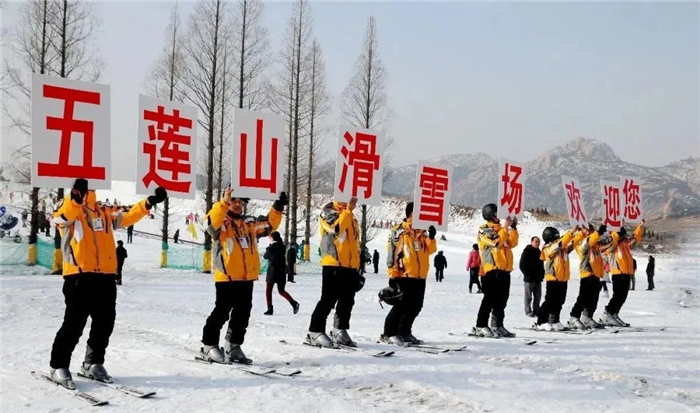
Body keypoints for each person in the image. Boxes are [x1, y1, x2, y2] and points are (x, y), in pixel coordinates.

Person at [49, 178, 165, 389]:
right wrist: (75, 197)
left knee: (104, 323)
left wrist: (148, 202)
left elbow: (126, 216)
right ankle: (58, 365)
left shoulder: (102, 210)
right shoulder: (67, 206)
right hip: (79, 275)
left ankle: (93, 362)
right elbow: (61, 219)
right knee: (74, 323)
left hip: (105, 276)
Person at [199, 189, 287, 365]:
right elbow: (210, 223)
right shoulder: (220, 221)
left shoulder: (249, 223)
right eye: (234, 200)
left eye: (240, 201)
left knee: (242, 313)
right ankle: (209, 345)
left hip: (246, 277)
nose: (238, 204)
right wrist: (223, 202)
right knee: (222, 312)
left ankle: (233, 345)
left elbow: (269, 225)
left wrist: (277, 207)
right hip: (226, 276)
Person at [306, 196, 361, 348]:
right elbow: (336, 228)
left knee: (347, 301)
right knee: (328, 300)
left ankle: (339, 329)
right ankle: (315, 331)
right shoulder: (328, 212)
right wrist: (348, 211)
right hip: (333, 263)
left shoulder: (350, 216)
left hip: (350, 266)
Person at [381, 202, 437, 345]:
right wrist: (393, 274)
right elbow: (391, 253)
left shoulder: (422, 232)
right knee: (401, 306)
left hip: (419, 276)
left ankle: (404, 331)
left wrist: (431, 238)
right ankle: (389, 333)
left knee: (416, 306)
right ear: (411, 214)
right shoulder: (399, 231)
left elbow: (429, 251)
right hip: (403, 275)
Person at [472, 204, 518, 338]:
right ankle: (480, 325)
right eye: (497, 213)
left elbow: (511, 243)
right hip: (492, 269)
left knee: (502, 300)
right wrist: (504, 228)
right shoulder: (484, 229)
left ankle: (497, 325)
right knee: (489, 299)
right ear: (491, 215)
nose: (500, 216)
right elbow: (496, 242)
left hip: (504, 270)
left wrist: (513, 228)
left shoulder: (501, 230)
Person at [601, 221, 645, 327]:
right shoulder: (612, 242)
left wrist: (640, 227)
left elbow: (635, 238)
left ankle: (615, 313)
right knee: (618, 295)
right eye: (622, 235)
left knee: (623, 296)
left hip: (626, 272)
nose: (624, 237)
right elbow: (608, 248)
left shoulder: (625, 243)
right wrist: (616, 234)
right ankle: (608, 313)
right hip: (617, 272)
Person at [534, 226, 576, 331]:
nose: (558, 237)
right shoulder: (548, 248)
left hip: (562, 278)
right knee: (550, 301)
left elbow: (573, 243)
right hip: (553, 278)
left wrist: (580, 233)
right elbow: (560, 243)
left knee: (560, 301)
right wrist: (571, 232)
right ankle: (541, 321)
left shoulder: (562, 248)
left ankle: (554, 320)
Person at [568, 224, 609, 330]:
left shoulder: (594, 243)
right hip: (586, 272)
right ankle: (574, 317)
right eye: (587, 230)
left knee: (593, 298)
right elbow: (588, 243)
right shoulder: (581, 242)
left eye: (591, 230)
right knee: (583, 297)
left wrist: (614, 234)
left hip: (595, 273)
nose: (589, 231)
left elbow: (607, 243)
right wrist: (597, 233)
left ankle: (587, 316)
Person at [263, 231, 300, 316]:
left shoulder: (271, 248)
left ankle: (270, 308)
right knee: (281, 290)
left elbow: (265, 256)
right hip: (281, 271)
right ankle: (294, 303)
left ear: (273, 238)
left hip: (272, 271)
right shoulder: (283, 247)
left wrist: (269, 247)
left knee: (269, 290)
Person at [520, 236, 544, 317]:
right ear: (532, 242)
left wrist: (541, 274)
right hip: (529, 279)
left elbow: (541, 265)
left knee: (538, 296)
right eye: (536, 241)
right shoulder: (527, 252)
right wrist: (527, 274)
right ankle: (528, 310)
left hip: (538, 279)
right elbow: (522, 264)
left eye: (538, 242)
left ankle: (536, 310)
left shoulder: (539, 253)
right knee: (528, 296)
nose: (537, 243)